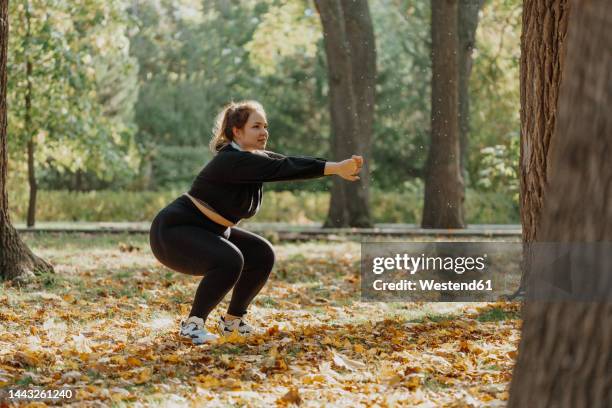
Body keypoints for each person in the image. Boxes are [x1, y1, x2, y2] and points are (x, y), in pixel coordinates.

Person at [149, 100, 363, 345]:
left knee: (261, 253)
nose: (264, 132)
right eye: (256, 126)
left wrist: (336, 168)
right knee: (230, 260)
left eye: (265, 126)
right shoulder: (231, 160)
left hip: (212, 230)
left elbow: (290, 165)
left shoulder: (254, 158)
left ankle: (232, 322)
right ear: (237, 132)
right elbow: (285, 167)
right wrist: (336, 168)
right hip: (173, 232)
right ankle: (193, 325)